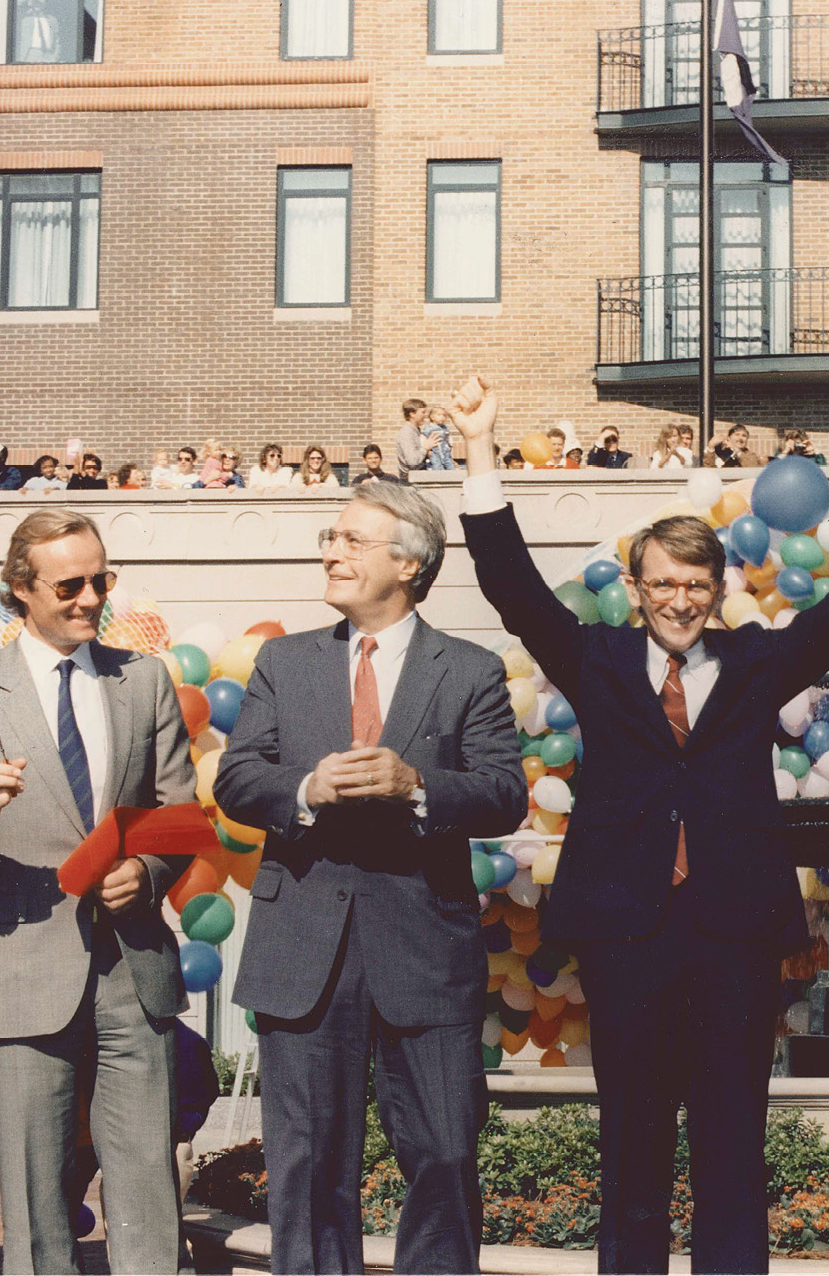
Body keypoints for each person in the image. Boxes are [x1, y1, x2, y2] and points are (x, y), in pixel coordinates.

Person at [451, 375, 829, 1275]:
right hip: (626, 933)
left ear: (720, 590)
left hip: (734, 936)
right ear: (636, 588)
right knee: (630, 1153)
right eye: (663, 584)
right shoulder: (592, 657)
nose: (680, 601)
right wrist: (481, 448)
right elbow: (511, 586)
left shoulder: (760, 660)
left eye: (696, 585)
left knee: (731, 1150)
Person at [216, 481, 528, 1275]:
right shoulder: (285, 663)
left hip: (424, 950)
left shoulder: (469, 669)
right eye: (333, 536)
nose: (331, 552)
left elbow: (502, 792)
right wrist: (305, 791)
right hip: (302, 954)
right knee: (310, 1170)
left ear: (410, 563)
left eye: (352, 541)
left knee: (448, 1157)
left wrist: (415, 784)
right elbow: (237, 777)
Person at [0, 508, 196, 1274]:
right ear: (20, 589)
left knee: (149, 1199)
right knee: (35, 1211)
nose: (91, 597)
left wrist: (149, 871)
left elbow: (178, 815)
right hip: (22, 976)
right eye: (70, 584)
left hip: (135, 975)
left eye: (103, 579)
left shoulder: (144, 681)